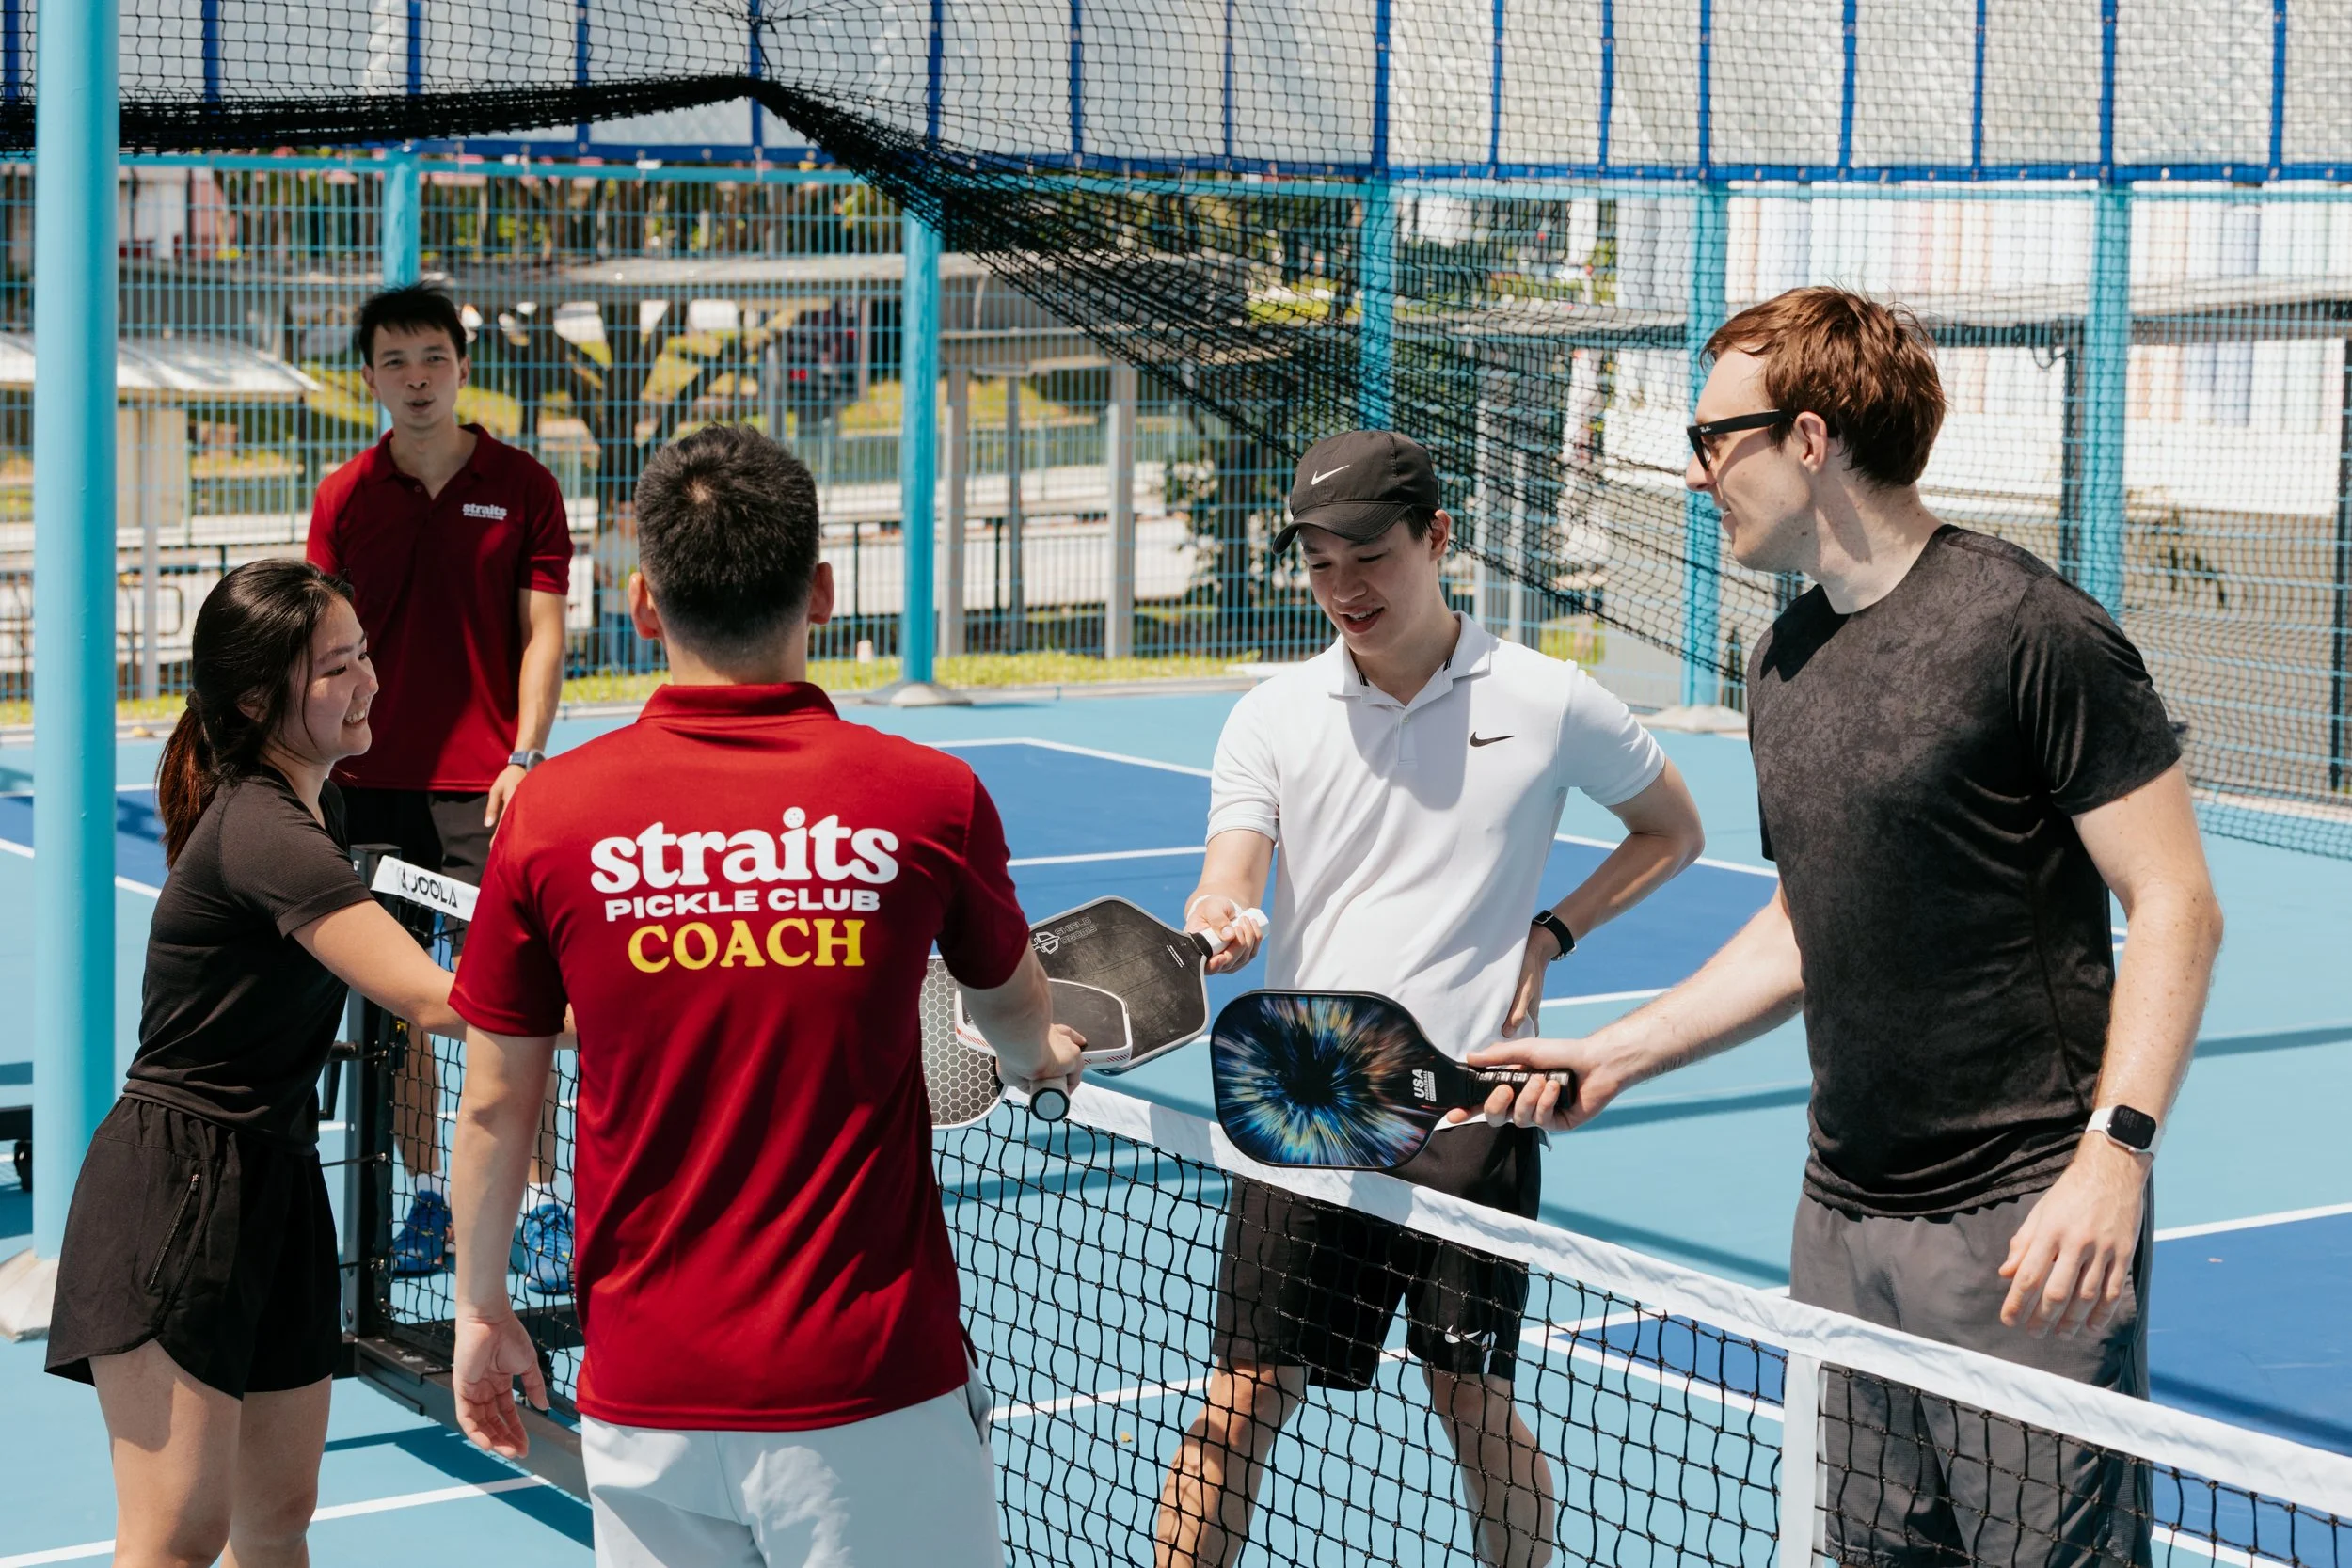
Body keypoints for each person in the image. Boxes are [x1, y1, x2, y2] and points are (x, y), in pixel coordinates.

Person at [1477, 288, 2224, 1568]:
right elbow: (1805, 920)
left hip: (2023, 1218)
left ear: (1809, 437)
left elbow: (2177, 904)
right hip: (1840, 1217)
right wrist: (1617, 1051)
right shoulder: (1782, 662)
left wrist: (2116, 1157)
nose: (1700, 470)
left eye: (1717, 438)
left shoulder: (2030, 632)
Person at [441, 424, 1085, 1567]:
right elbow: (1013, 1010)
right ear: (824, 590)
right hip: (870, 1389)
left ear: (641, 604)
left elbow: (494, 1103)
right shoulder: (928, 798)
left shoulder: (549, 815)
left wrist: (482, 1307)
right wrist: (1040, 1059)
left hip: (646, 1389)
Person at [1156, 430, 1708, 1568]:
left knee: (1472, 1402)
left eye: (1369, 555)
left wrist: (1555, 930)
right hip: (1305, 1108)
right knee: (1237, 1405)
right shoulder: (1271, 713)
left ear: (1438, 538)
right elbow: (1231, 864)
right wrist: (1220, 915)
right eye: (1319, 564)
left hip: (1470, 1110)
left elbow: (1674, 828)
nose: (1345, 588)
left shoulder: (1549, 698)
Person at [44, 560, 466, 1568]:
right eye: (333, 668)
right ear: (252, 697)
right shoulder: (266, 829)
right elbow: (435, 996)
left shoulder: (316, 812)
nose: (365, 680)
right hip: (177, 1192)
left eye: (362, 652)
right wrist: (644, 998)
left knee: (276, 1519)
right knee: (175, 1538)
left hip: (276, 1179)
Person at [306, 282, 578, 1292]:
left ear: (461, 366)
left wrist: (524, 756)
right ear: (370, 376)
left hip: (490, 793)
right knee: (404, 1010)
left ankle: (543, 1205)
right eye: (394, 361)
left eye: (432, 357)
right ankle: (430, 1191)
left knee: (517, 1006)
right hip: (369, 795)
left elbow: (543, 632)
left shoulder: (524, 485)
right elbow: (318, 644)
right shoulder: (343, 497)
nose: (415, 378)